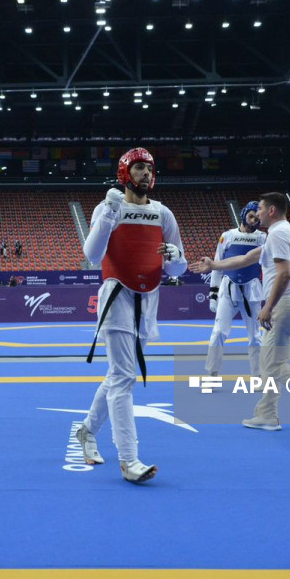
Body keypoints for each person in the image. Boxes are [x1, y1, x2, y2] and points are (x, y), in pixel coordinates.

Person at [190, 192, 290, 434]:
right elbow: (245, 258)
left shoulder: (278, 234)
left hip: (285, 305)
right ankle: (267, 415)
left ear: (272, 210)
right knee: (272, 363)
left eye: (261, 209)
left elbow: (284, 273)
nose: (257, 214)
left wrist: (268, 306)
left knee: (273, 365)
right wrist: (214, 266)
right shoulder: (280, 233)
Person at [75, 147, 186, 483]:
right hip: (117, 298)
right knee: (124, 377)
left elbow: (178, 267)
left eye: (150, 168)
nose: (146, 174)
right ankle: (129, 460)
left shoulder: (163, 213)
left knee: (117, 374)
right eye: (139, 168)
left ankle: (86, 430)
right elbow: (92, 255)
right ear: (125, 173)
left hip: (148, 301)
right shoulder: (109, 207)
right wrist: (109, 213)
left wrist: (176, 255)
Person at [204, 201, 267, 378]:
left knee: (255, 336)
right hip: (228, 288)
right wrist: (213, 295)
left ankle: (258, 376)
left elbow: (269, 269)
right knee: (218, 332)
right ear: (244, 214)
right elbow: (216, 264)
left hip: (252, 290)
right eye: (251, 216)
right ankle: (212, 373)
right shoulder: (227, 236)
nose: (253, 221)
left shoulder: (263, 238)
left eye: (256, 218)